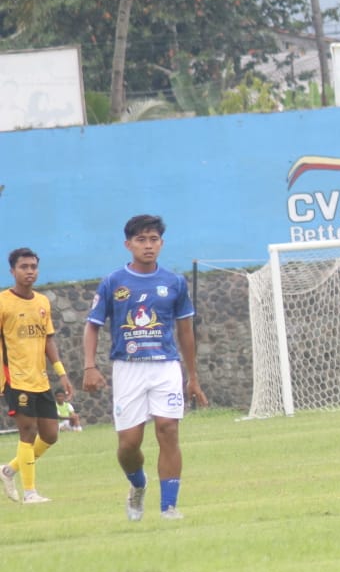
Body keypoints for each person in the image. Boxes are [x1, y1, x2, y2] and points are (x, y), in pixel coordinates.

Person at [82, 214, 207, 521]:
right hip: (127, 368)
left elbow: (185, 331)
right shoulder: (113, 282)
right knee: (128, 445)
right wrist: (89, 366)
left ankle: (169, 508)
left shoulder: (175, 282)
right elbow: (93, 325)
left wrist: (192, 377)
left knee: (168, 430)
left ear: (161, 243)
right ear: (128, 245)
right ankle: (138, 485)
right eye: (141, 240)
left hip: (165, 366)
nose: (148, 245)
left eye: (153, 239)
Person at [0, 248, 75, 504]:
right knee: (28, 430)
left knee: (51, 434)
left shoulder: (42, 302)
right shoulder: (3, 302)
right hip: (15, 378)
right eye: (24, 267)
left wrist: (61, 373)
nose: (30, 271)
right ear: (12, 271)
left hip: (40, 379)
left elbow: (48, 340)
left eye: (33, 266)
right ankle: (30, 493)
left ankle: (8, 470)